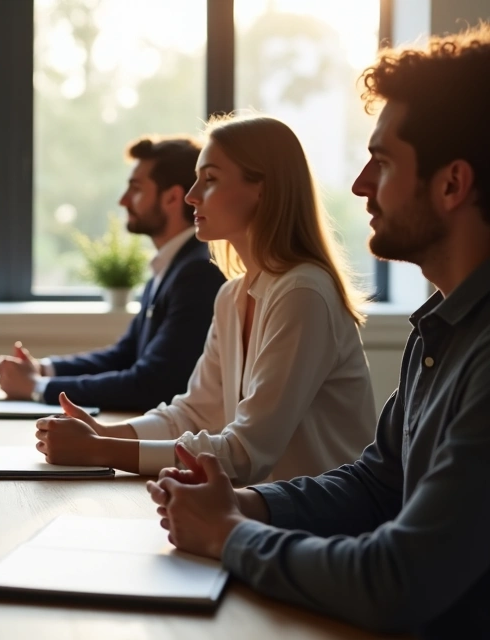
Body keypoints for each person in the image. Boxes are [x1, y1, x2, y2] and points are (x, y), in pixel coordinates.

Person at [147, 25, 490, 636]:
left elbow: (398, 579)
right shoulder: (438, 330)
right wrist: (242, 503)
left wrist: (228, 533)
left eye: (381, 162)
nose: (358, 184)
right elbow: (377, 483)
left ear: (452, 184)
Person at [36, 115, 376, 485]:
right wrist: (102, 432)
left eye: (210, 179)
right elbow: (192, 415)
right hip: (261, 514)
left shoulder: (303, 294)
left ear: (263, 188)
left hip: (321, 527)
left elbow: (245, 453)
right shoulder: (233, 295)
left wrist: (101, 449)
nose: (190, 195)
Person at [0, 137, 225, 410]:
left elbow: (153, 384)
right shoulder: (172, 265)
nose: (123, 200)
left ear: (172, 197)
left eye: (136, 189)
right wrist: (43, 369)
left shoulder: (198, 272)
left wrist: (36, 387)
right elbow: (124, 355)